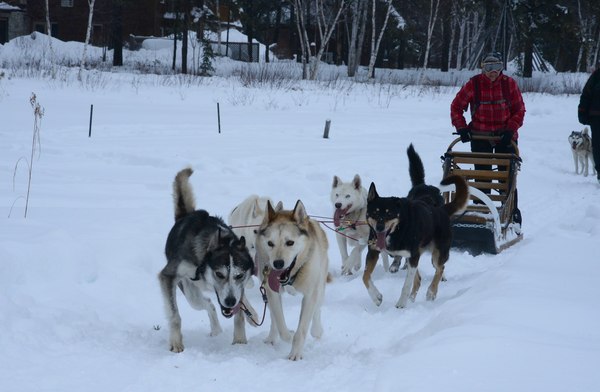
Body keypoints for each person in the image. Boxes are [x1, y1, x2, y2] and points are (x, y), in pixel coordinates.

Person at [450, 52, 526, 227]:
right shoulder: (474, 84)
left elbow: (519, 110)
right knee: (482, 175)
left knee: (505, 177)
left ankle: (510, 213)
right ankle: (481, 213)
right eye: (489, 67)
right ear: (483, 68)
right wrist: (461, 128)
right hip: (479, 135)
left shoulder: (509, 84)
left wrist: (511, 129)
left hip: (505, 137)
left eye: (497, 67)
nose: (493, 72)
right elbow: (456, 107)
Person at [577, 63, 600, 184]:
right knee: (597, 146)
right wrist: (582, 112)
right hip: (597, 118)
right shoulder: (596, 77)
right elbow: (586, 95)